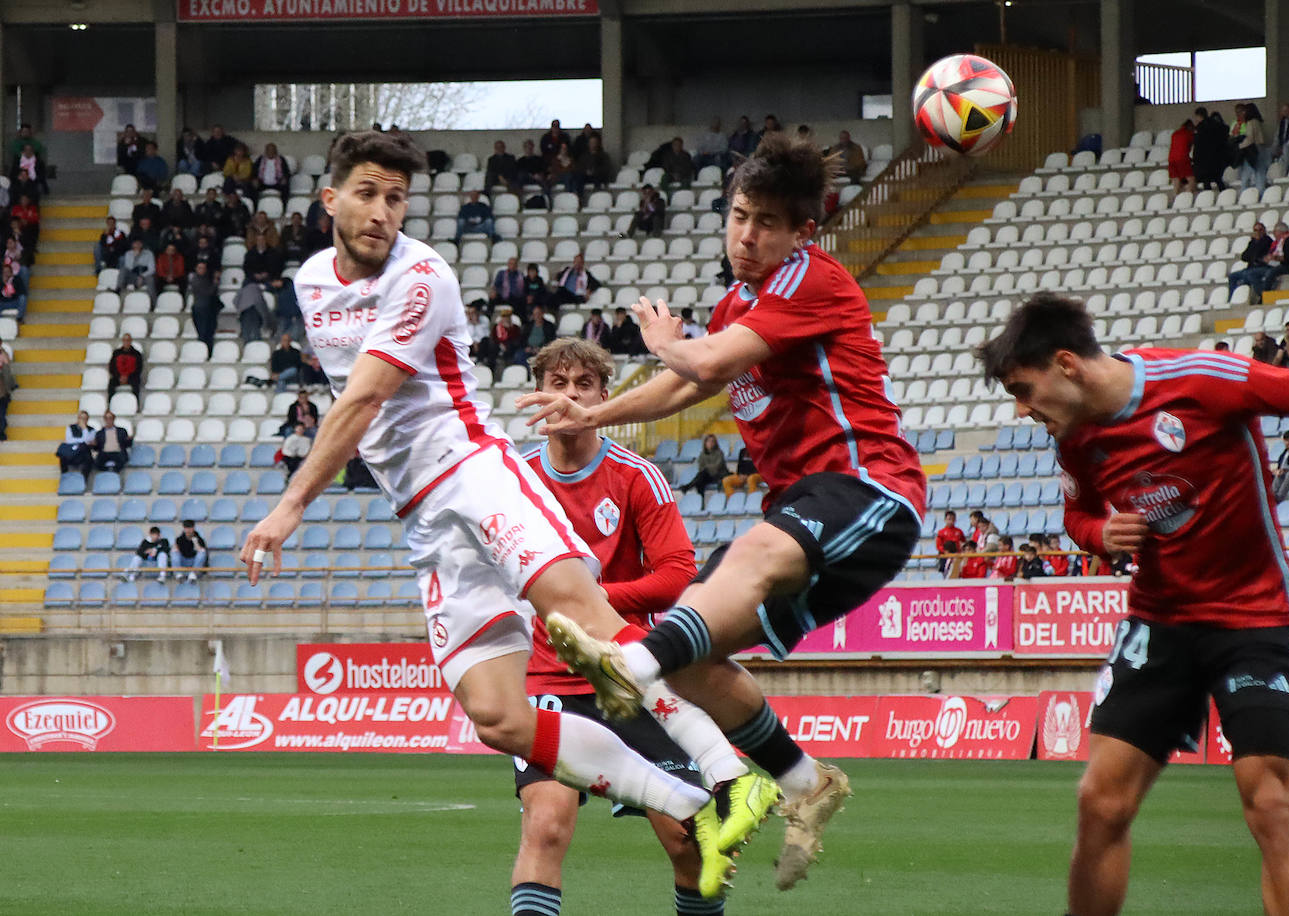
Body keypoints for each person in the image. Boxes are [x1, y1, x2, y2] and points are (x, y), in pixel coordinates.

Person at [239, 131, 747, 873]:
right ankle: (684, 800)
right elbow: (361, 404)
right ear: (331, 200)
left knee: (585, 616)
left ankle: (725, 773)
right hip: (422, 517)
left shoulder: (422, 276)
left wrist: (290, 506)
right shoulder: (312, 282)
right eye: (369, 193)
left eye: (397, 198)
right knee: (500, 717)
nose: (384, 211)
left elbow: (365, 398)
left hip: (474, 473)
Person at [518, 132, 925, 891]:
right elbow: (688, 389)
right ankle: (806, 782)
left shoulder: (813, 278)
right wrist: (589, 419)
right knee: (700, 659)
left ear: (802, 231)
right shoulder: (744, 301)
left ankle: (625, 667)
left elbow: (698, 365)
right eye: (739, 215)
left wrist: (667, 340)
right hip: (804, 508)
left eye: (767, 222)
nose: (747, 235)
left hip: (866, 489)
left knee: (739, 566)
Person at [976, 293, 1289, 916]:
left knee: (1270, 803)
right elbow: (1076, 515)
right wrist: (1100, 535)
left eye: (1024, 389)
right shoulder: (1076, 439)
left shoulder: (1200, 381)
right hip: (1157, 622)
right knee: (1099, 802)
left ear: (1067, 364)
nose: (1022, 410)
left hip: (1254, 617)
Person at [513, 338, 773, 909]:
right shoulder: (514, 483)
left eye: (583, 385)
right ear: (538, 391)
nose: (568, 396)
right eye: (557, 383)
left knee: (687, 842)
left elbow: (678, 573)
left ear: (604, 397)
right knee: (546, 827)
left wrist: (590, 597)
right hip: (551, 681)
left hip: (633, 676)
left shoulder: (637, 478)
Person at [1230, 222, 1289, 303]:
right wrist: (1255, 243)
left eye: (1260, 230)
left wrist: (1273, 258)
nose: (1257, 232)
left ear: (1280, 232)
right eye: (1255, 230)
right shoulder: (1257, 242)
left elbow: (1288, 256)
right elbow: (1244, 257)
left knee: (1252, 274)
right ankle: (1232, 298)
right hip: (1261, 265)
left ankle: (1263, 295)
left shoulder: (1273, 241)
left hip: (1275, 265)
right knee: (1233, 276)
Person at [187, 261, 221, 348]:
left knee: (209, 333)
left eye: (203, 268)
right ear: (196, 269)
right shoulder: (195, 280)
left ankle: (208, 350)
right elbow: (208, 292)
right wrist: (215, 282)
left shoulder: (206, 278)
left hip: (208, 308)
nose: (202, 270)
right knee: (203, 333)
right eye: (200, 268)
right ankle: (203, 350)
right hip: (200, 309)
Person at [57, 410, 96, 476]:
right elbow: (69, 440)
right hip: (72, 452)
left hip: (83, 453)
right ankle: (64, 476)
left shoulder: (92, 430)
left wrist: (84, 428)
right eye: (81, 418)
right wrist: (82, 440)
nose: (83, 420)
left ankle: (84, 480)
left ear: (88, 419)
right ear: (78, 418)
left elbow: (87, 440)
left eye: (85, 418)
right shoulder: (70, 427)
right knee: (63, 457)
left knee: (88, 458)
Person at [107, 333, 144, 404]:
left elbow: (139, 369)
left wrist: (128, 377)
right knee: (111, 383)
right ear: (122, 341)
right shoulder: (116, 353)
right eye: (124, 340)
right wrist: (119, 377)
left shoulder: (137, 354)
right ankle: (110, 404)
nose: (126, 342)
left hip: (132, 377)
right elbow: (112, 367)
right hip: (118, 377)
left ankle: (136, 404)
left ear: (131, 341)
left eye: (128, 340)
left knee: (136, 384)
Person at [1166, 120, 1195, 195]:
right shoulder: (1189, 134)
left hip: (1171, 159)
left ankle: (1176, 198)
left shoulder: (1175, 134)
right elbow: (1189, 146)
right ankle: (1188, 196)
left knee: (1176, 181)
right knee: (1191, 179)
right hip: (1182, 159)